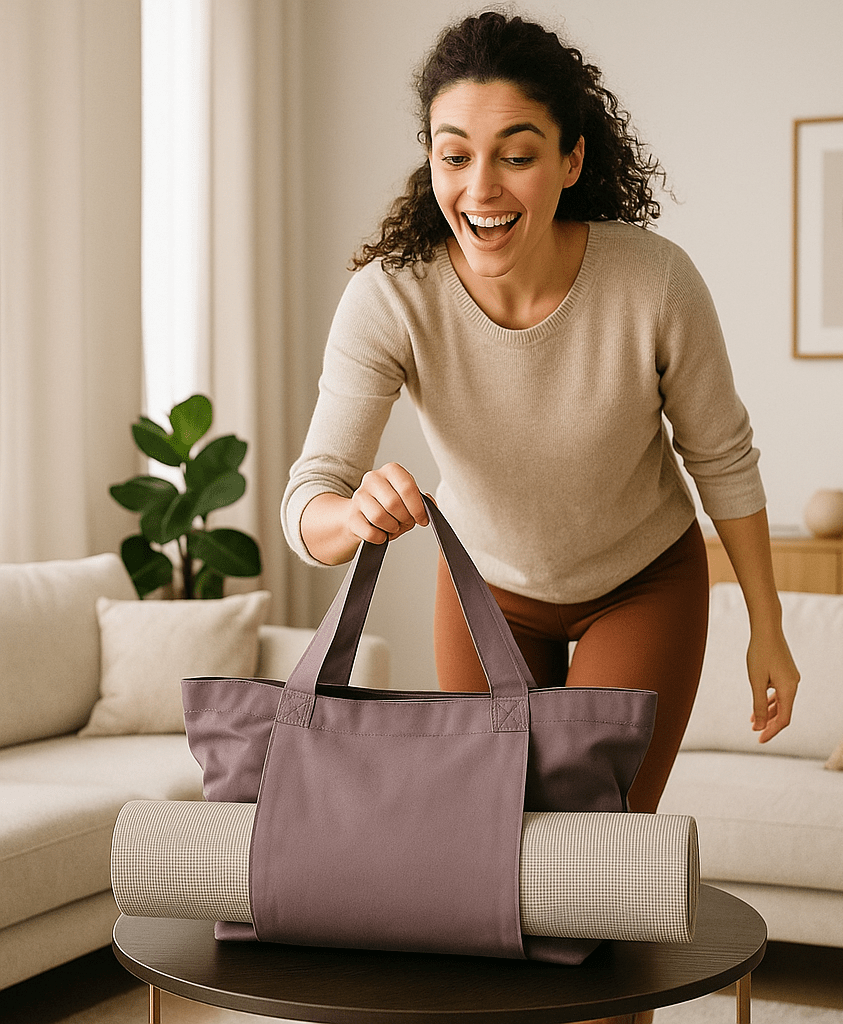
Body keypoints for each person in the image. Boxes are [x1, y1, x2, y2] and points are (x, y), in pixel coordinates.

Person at [284, 3, 797, 889]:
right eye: (454, 155)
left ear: (571, 160)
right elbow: (309, 499)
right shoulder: (390, 300)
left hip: (642, 582)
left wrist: (769, 625)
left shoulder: (654, 282)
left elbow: (723, 457)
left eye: (516, 155)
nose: (480, 188)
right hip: (485, 590)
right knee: (491, 861)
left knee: (596, 870)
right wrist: (350, 514)